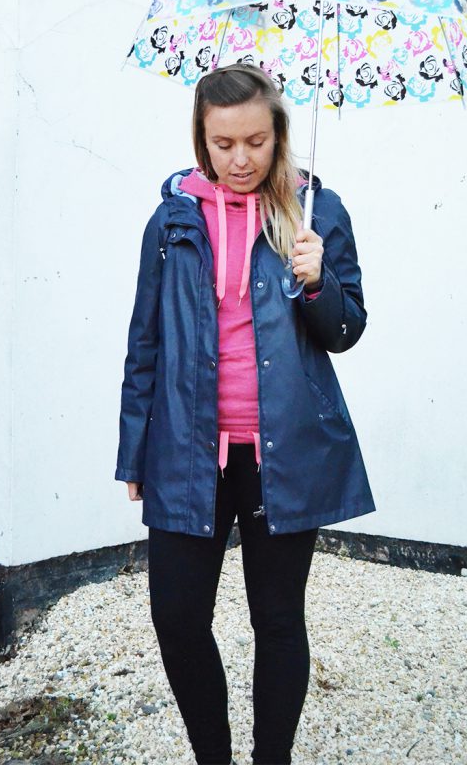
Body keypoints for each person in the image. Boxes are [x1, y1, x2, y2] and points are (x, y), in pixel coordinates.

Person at [116, 64, 375, 765]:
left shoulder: (316, 211)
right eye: (223, 143)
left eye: (255, 141)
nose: (240, 160)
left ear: (277, 134)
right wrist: (133, 450)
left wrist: (318, 280)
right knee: (175, 618)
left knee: (278, 621)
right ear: (202, 141)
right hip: (185, 449)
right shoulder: (171, 222)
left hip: (282, 453)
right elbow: (145, 338)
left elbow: (345, 332)